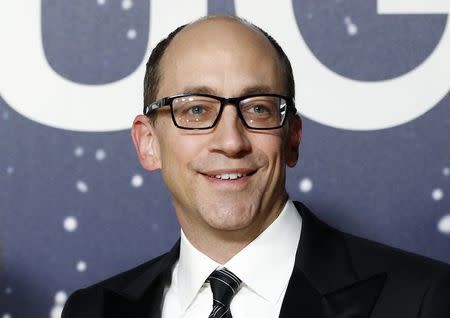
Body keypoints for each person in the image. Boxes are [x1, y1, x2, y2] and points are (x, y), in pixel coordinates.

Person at [62, 15, 450, 318]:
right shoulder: (92, 311)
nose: (231, 141)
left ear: (293, 138)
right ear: (148, 144)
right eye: (197, 110)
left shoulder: (421, 299)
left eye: (258, 109)